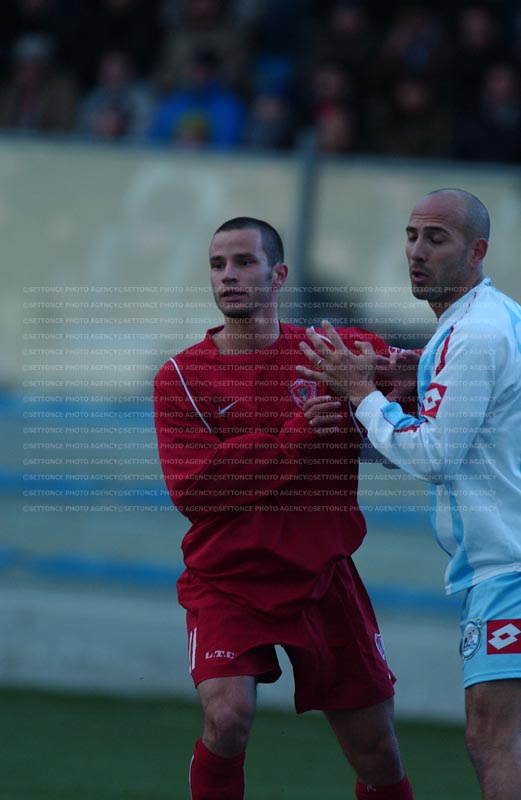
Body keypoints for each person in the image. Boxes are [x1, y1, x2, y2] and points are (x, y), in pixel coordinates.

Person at [153, 217, 416, 799]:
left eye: (244, 262)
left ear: (278, 276)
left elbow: (425, 368)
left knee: (378, 751)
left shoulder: (331, 353)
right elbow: (194, 488)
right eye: (218, 265)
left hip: (324, 577)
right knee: (227, 718)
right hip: (229, 579)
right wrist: (291, 440)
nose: (228, 276)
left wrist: (414, 379)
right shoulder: (181, 377)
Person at [297, 188, 521, 800]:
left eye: (436, 238)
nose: (417, 251)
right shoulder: (491, 319)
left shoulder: (475, 334)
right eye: (412, 235)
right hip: (502, 559)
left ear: (477, 250)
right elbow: (473, 438)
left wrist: (360, 393)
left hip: (508, 565)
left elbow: (434, 455)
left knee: (492, 737)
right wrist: (405, 380)